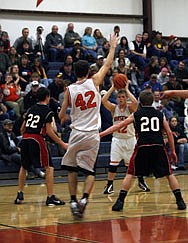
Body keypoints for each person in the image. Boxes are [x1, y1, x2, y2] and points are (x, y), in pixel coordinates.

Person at [58, 33, 119, 218]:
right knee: (90, 170)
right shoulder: (95, 82)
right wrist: (113, 46)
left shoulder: (69, 89)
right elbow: (108, 64)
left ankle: (73, 200)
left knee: (71, 168)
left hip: (76, 133)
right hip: (93, 134)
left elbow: (62, 115)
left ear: (74, 72)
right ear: (89, 72)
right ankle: (85, 198)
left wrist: (66, 117)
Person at [100, 91, 186, 211]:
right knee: (169, 174)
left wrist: (102, 134)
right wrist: (173, 151)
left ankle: (120, 202)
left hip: (142, 146)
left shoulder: (136, 114)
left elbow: (118, 126)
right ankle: (180, 201)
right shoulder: (160, 114)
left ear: (140, 102)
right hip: (158, 146)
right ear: (152, 101)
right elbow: (169, 133)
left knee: (130, 173)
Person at [14, 87, 68, 206]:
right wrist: (62, 143)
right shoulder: (47, 111)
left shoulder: (30, 109)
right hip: (37, 139)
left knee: (24, 166)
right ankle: (50, 197)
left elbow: (22, 129)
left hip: (25, 138)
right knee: (49, 167)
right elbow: (49, 131)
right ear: (47, 97)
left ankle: (20, 193)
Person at [102, 82, 150, 194]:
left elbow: (136, 103)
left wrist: (127, 89)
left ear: (126, 98)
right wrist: (113, 87)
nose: (121, 99)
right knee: (113, 163)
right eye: (119, 97)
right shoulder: (114, 108)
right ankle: (109, 185)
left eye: (123, 97)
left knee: (135, 164)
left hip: (130, 139)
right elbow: (104, 100)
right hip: (117, 140)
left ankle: (141, 181)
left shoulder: (130, 108)